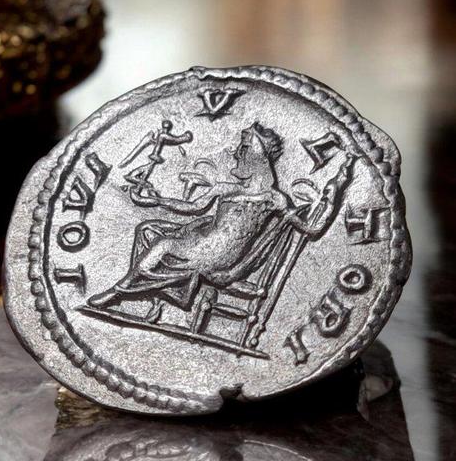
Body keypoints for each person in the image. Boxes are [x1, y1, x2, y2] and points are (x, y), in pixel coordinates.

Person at [89, 122, 356, 319]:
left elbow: (313, 229)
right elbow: (193, 207)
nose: (236, 152)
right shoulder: (228, 188)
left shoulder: (274, 199)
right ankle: (160, 299)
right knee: (148, 230)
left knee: (163, 246)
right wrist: (157, 200)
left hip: (217, 255)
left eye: (244, 147)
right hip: (200, 240)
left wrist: (336, 190)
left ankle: (119, 292)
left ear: (259, 155)